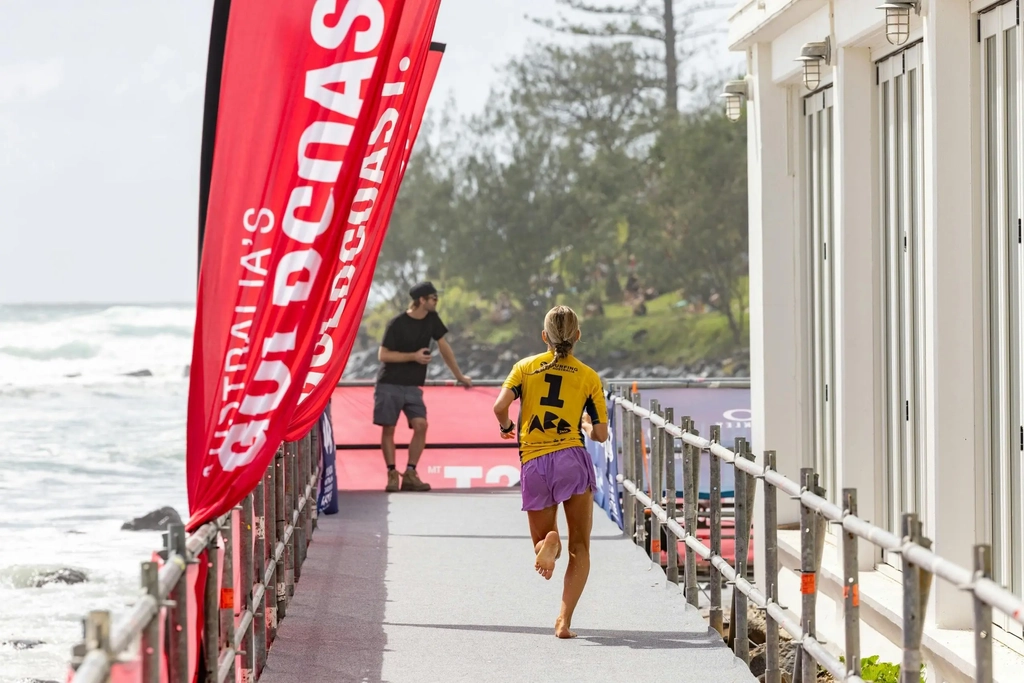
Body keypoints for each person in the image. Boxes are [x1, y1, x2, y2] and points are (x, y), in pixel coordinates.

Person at [492, 305, 608, 639]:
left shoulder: (524, 368)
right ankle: (564, 621)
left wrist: (507, 426)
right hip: (572, 457)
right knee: (582, 548)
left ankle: (550, 544)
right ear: (577, 336)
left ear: (544, 337)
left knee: (540, 544)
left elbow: (499, 406)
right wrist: (585, 423)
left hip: (535, 461)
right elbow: (601, 434)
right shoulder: (587, 376)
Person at [375, 281, 472, 493]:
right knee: (389, 428)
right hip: (389, 383)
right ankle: (392, 473)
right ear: (422, 300)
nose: (437, 301)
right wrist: (414, 356)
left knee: (421, 425)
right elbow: (383, 355)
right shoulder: (397, 323)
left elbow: (444, 347)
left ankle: (410, 473)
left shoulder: (432, 320)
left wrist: (460, 376)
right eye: (434, 298)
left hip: (413, 386)